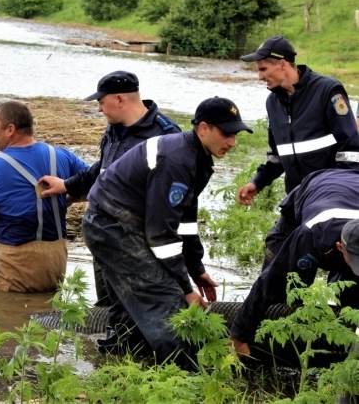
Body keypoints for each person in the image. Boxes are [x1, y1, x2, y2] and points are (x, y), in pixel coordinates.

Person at [82, 97, 252, 366]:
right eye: (227, 134)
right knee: (169, 304)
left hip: (122, 223)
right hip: (111, 226)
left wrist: (196, 268)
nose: (232, 142)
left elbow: (184, 220)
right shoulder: (178, 160)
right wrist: (185, 288)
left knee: (136, 302)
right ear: (204, 128)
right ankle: (183, 377)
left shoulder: (200, 159)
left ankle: (119, 365)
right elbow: (161, 235)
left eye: (235, 135)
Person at [38, 70, 182, 306]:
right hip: (105, 233)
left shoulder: (166, 136)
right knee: (107, 303)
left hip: (138, 238)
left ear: (120, 100)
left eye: (101, 102)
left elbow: (174, 195)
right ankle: (108, 340)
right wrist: (67, 186)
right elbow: (103, 170)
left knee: (139, 304)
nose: (99, 109)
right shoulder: (114, 129)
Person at [0, 101, 89, 293]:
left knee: (5, 317)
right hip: (55, 268)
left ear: (10, 129)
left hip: (14, 272)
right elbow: (98, 184)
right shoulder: (62, 155)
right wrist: (71, 197)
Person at [230, 168, 359, 358]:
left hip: (352, 188)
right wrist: (239, 335)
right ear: (340, 247)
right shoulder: (310, 233)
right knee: (286, 291)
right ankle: (268, 354)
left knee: (352, 295)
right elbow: (269, 282)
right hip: (315, 187)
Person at [236, 36, 359, 206]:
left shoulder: (328, 91)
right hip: (296, 198)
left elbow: (351, 151)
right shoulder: (273, 102)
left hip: (329, 197)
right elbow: (277, 156)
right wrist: (257, 183)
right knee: (277, 235)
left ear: (282, 64)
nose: (260, 77)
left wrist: (334, 192)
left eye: (263, 69)